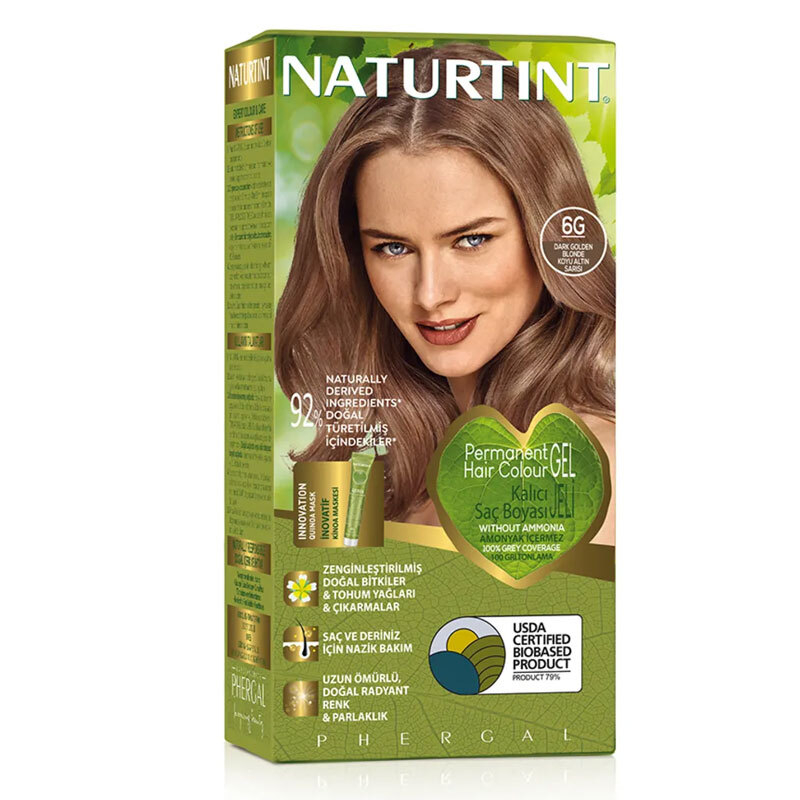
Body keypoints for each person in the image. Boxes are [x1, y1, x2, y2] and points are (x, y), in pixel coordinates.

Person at [275, 43, 615, 544]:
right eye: (393, 248)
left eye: (471, 240)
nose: (430, 295)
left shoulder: (589, 467)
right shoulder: (392, 466)